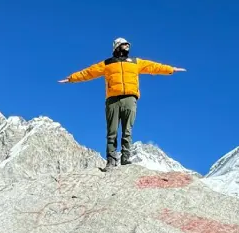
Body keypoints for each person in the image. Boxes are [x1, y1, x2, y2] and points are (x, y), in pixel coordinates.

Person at [58, 38, 185, 167]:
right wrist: (72, 78)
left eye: (128, 45)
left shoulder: (136, 62)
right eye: (124, 45)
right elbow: (89, 72)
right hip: (112, 100)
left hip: (130, 99)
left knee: (127, 131)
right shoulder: (107, 64)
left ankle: (126, 158)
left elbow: (154, 67)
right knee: (112, 132)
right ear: (117, 47)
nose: (127, 47)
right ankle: (111, 160)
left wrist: (170, 69)